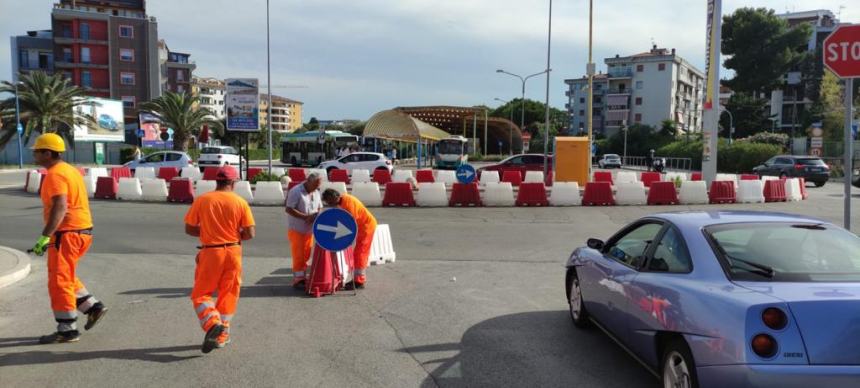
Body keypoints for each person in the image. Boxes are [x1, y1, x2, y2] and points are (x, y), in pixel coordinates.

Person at [30, 133, 108, 344]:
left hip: (67, 233)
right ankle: (93, 307)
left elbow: (60, 206)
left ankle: (67, 330)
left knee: (59, 280)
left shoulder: (56, 175)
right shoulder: (69, 170)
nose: (34, 154)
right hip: (81, 231)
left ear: (48, 153)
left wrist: (45, 236)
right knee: (64, 274)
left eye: (37, 151)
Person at [184, 166, 256, 353]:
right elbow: (250, 233)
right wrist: (234, 235)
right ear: (233, 183)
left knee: (201, 294)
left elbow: (190, 228)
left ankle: (212, 324)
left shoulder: (203, 200)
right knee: (228, 293)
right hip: (233, 251)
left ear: (216, 181)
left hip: (211, 252)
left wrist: (209, 232)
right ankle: (222, 335)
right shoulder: (240, 202)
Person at [321, 189, 377, 289]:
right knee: (358, 252)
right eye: (328, 203)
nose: (330, 205)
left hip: (366, 226)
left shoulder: (348, 202)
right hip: (362, 226)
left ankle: (359, 281)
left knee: (360, 252)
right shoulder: (341, 202)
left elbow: (350, 222)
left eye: (330, 202)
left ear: (335, 197)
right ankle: (358, 278)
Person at [285, 172, 323, 289]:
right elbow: (289, 209)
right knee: (298, 255)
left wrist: (318, 214)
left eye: (319, 185)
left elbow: (320, 206)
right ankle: (298, 279)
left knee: (306, 254)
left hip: (309, 230)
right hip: (297, 229)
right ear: (308, 181)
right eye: (316, 185)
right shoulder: (296, 191)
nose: (317, 187)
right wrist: (305, 217)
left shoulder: (316, 192)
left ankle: (303, 276)